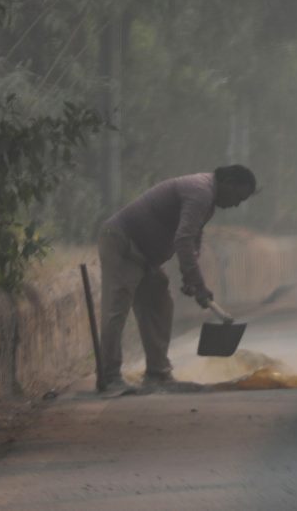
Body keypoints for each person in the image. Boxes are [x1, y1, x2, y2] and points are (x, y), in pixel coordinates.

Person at [97, 165, 256, 394]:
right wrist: (198, 284)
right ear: (229, 182)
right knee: (116, 309)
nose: (237, 204)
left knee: (159, 303)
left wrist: (191, 278)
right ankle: (110, 377)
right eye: (238, 197)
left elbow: (194, 236)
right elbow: (183, 239)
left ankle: (157, 373)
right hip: (123, 242)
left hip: (146, 255)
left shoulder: (207, 199)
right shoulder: (200, 192)